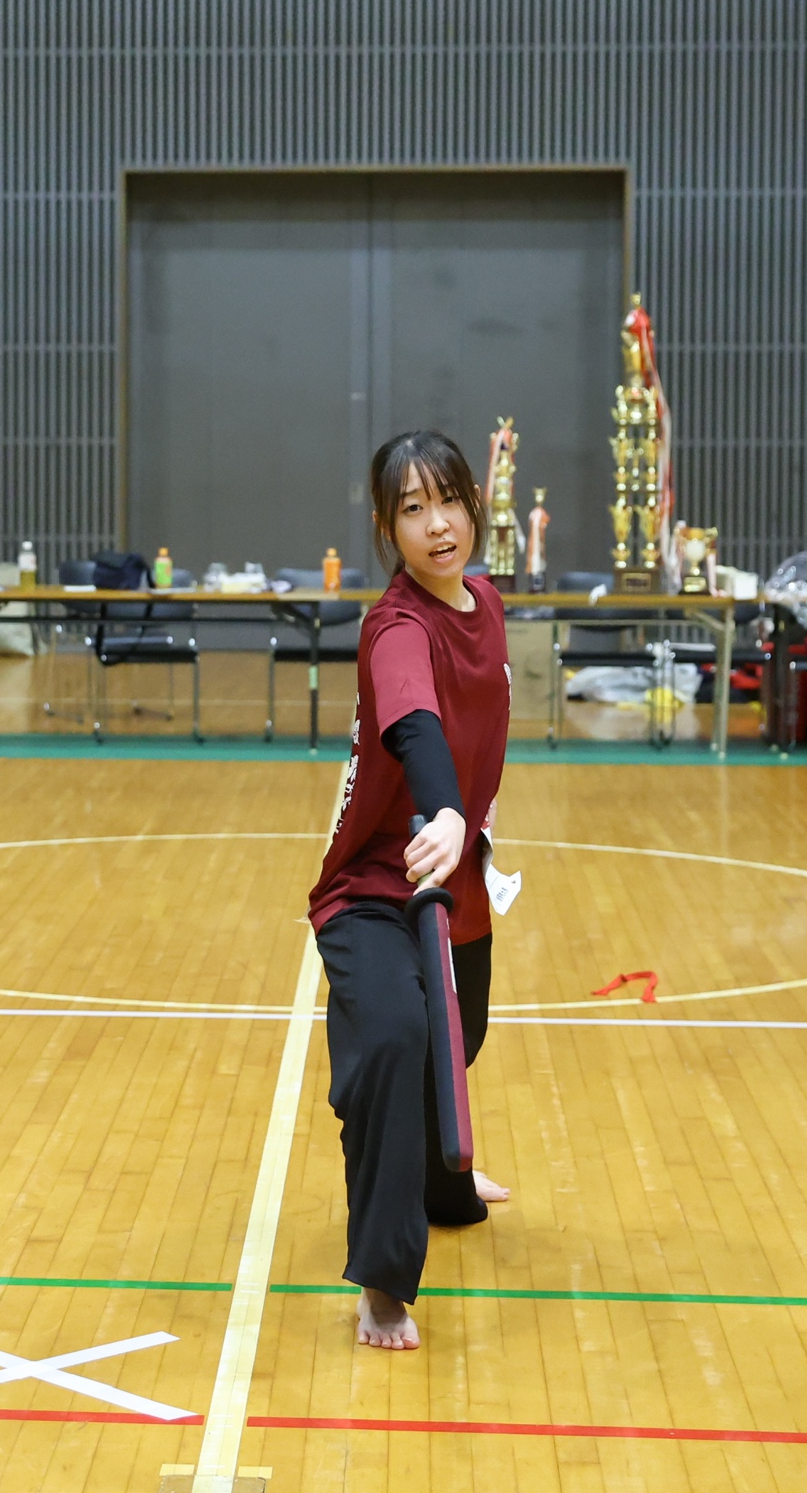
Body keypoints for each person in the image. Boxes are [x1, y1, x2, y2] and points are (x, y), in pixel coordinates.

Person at [305, 429, 513, 1354]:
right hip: (374, 885)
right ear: (387, 528)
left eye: (449, 501)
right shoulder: (394, 627)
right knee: (396, 1038)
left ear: (474, 505)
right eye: (413, 510)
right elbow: (417, 724)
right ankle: (384, 1282)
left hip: (455, 869)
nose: (437, 525)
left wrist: (468, 830)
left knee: (457, 1041)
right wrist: (446, 809)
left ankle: (442, 1184)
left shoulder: (487, 604)